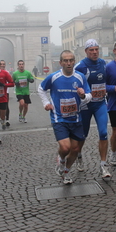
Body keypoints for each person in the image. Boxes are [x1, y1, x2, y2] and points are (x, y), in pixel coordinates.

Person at [38, 50, 92, 185]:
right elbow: (41, 88)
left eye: (71, 60)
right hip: (59, 118)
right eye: (66, 61)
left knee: (75, 149)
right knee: (66, 148)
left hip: (76, 118)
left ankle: (66, 172)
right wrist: (46, 103)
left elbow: (90, 95)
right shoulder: (54, 77)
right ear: (60, 62)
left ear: (74, 61)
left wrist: (83, 96)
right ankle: (61, 159)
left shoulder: (80, 77)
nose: (69, 63)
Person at [73, 39, 111, 179]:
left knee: (103, 133)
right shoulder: (80, 67)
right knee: (82, 135)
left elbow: (107, 82)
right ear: (86, 52)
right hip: (85, 107)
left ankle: (103, 165)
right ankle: (79, 155)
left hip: (100, 103)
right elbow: (73, 83)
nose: (95, 52)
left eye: (96, 49)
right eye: (91, 50)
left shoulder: (103, 63)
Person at [0, 60, 12, 127]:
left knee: (6, 106)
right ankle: (2, 118)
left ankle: (7, 120)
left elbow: (11, 82)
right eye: (1, 64)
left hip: (5, 92)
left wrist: (4, 85)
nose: (2, 65)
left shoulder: (7, 72)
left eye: (3, 64)